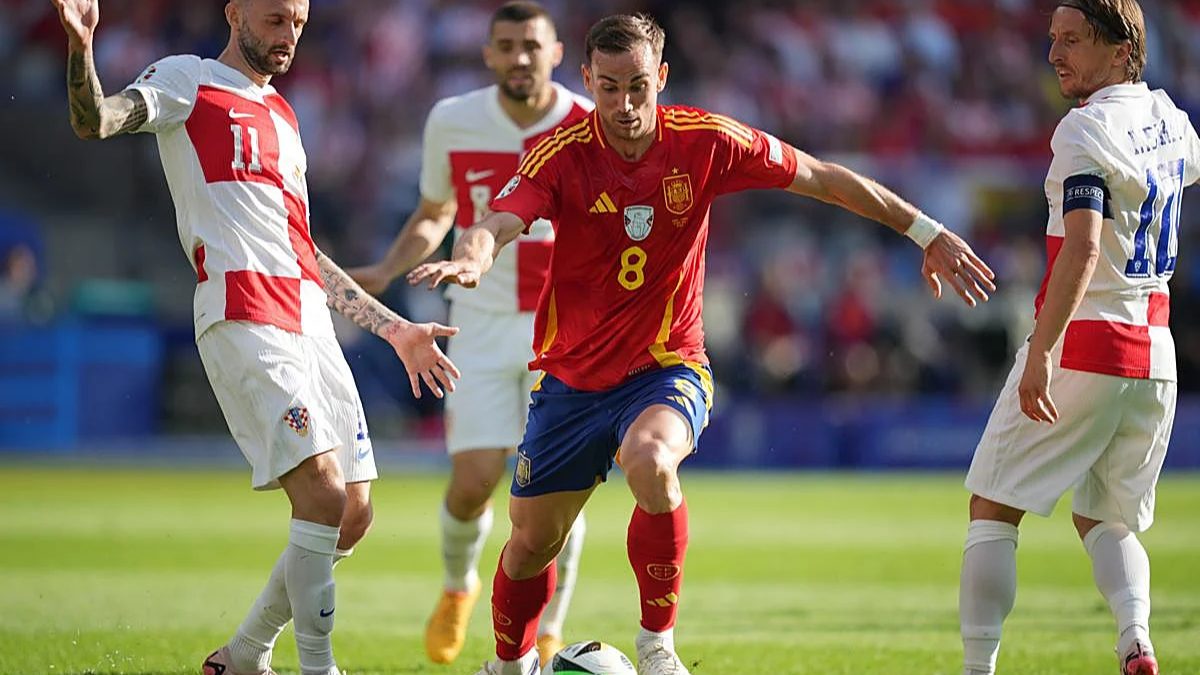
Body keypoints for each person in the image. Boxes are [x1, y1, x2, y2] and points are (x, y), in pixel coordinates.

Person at [409, 13, 995, 675]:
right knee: (530, 542)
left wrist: (926, 232)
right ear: (587, 80)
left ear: (661, 77)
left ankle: (657, 646)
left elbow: (822, 176)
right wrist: (474, 258)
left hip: (666, 366)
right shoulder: (561, 154)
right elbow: (496, 221)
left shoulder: (707, 140)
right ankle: (509, 664)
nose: (624, 105)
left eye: (637, 86)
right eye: (608, 88)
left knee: (652, 460)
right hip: (571, 378)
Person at [48, 1, 460, 674]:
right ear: (234, 11)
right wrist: (81, 47)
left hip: (309, 320)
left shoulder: (286, 117)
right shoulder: (188, 78)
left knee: (353, 513)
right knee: (322, 492)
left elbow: (303, 250)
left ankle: (245, 653)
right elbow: (95, 119)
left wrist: (395, 329)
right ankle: (318, 667)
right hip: (242, 309)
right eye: (274, 19)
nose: (288, 35)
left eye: (298, 22)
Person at [957, 3, 1198, 674]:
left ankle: (976, 668)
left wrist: (1041, 351)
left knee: (993, 507)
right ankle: (1135, 639)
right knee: (1104, 518)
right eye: (1053, 39)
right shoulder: (1174, 121)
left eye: (1072, 40)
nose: (1054, 54)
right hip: (1154, 354)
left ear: (1122, 50)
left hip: (1087, 343)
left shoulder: (1085, 128)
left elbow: (1083, 246)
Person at [347, 2, 591, 666]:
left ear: (556, 53)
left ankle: (549, 630)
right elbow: (436, 212)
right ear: (487, 54)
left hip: (562, 328)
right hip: (476, 323)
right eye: (506, 46)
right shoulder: (452, 119)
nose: (519, 57)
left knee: (555, 488)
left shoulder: (585, 123)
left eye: (531, 45)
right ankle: (459, 586)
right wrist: (386, 270)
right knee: (473, 482)